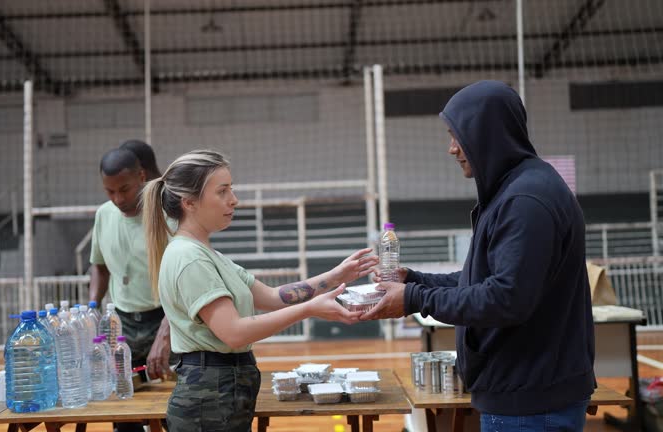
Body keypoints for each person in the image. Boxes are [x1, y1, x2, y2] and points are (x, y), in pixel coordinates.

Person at [362, 81, 595, 431]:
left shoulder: (525, 201)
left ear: (487, 135)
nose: (452, 149)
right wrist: (414, 280)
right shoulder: (518, 190)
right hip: (525, 392)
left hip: (530, 400)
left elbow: (506, 298)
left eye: (458, 136)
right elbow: (486, 280)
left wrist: (413, 299)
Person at [142, 150, 378, 432]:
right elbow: (234, 332)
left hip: (223, 393)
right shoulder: (189, 258)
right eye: (222, 191)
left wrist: (336, 275)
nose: (234, 199)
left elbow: (272, 297)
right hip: (208, 400)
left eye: (232, 189)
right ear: (189, 202)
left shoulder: (206, 253)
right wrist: (309, 309)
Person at [88, 147, 172, 432]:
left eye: (124, 189)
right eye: (109, 191)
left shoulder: (166, 215)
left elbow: (183, 284)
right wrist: (91, 308)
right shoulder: (103, 215)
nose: (118, 199)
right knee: (124, 413)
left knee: (172, 410)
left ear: (141, 176)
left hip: (163, 318)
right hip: (121, 322)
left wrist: (165, 333)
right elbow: (99, 266)